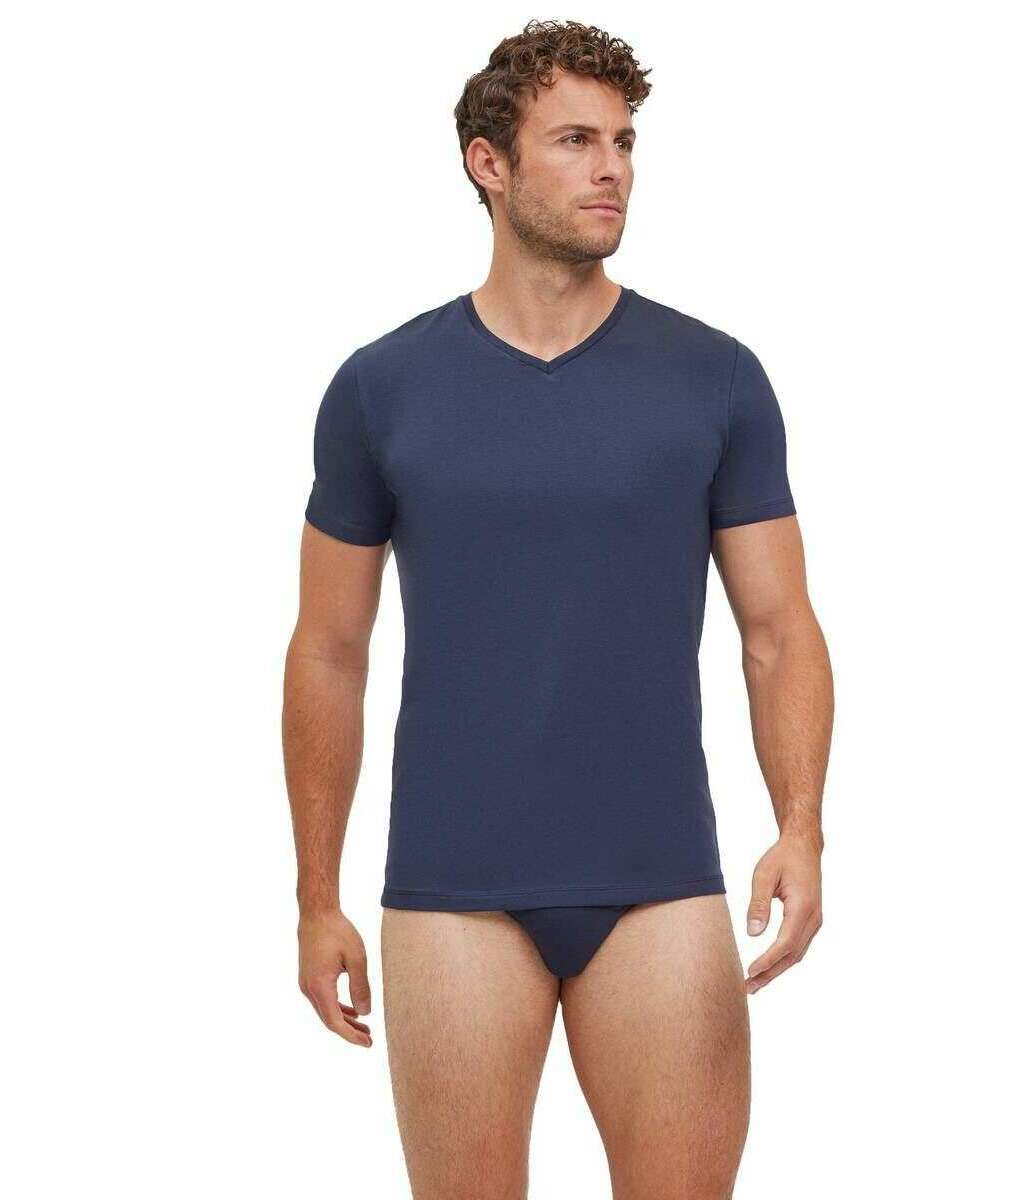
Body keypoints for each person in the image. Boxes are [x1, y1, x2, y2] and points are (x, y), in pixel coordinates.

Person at [283, 18, 834, 1199]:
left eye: (624, 142)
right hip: (453, 887)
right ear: (490, 163)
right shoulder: (382, 389)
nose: (612, 168)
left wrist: (802, 828)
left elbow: (779, 629)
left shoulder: (715, 378)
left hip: (659, 880)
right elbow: (328, 649)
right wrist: (315, 897)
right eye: (576, 140)